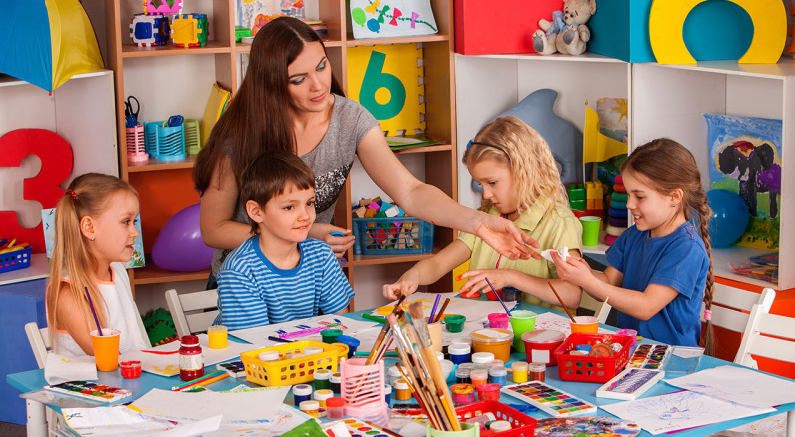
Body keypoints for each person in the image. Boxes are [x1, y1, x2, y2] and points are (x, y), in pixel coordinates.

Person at [193, 16, 538, 289]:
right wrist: (310, 232)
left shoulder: (350, 118)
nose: (318, 85)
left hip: (307, 282)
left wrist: (479, 223)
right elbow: (213, 229)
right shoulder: (241, 132)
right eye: (298, 79)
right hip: (245, 285)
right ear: (271, 83)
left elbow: (411, 191)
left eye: (322, 66)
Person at [383, 116, 583, 311]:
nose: (486, 193)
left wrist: (511, 277)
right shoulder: (486, 219)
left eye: (492, 182)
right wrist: (413, 276)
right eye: (481, 184)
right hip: (486, 335)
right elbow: (438, 264)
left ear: (525, 170)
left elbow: (572, 295)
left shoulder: (559, 222)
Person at [553, 139, 714, 352]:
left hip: (669, 358)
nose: (629, 204)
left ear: (674, 197)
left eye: (639, 196)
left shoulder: (686, 248)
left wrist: (587, 281)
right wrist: (580, 271)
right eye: (629, 195)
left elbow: (646, 306)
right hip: (631, 352)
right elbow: (608, 282)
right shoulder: (635, 234)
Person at [214, 151, 354, 330]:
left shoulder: (322, 254)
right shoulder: (240, 270)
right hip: (256, 353)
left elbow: (342, 324)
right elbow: (254, 344)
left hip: (303, 351)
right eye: (289, 207)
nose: (305, 215)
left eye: (309, 203)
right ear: (256, 212)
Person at [46, 173, 149, 356]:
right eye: (126, 222)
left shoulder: (117, 269)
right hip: (100, 383)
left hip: (136, 377)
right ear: (89, 228)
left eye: (135, 221)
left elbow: (136, 343)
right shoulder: (68, 292)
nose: (134, 232)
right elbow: (108, 361)